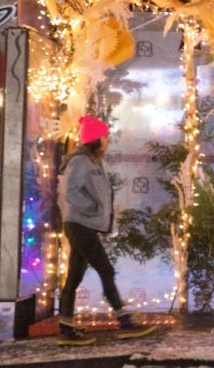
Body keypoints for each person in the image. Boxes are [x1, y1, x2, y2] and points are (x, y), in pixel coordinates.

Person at [56, 115, 155, 346]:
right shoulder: (80, 162)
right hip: (79, 225)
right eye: (105, 137)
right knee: (106, 270)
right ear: (94, 139)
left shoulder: (93, 161)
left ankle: (66, 327)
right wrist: (92, 208)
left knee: (74, 276)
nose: (108, 141)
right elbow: (70, 191)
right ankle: (124, 321)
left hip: (84, 224)